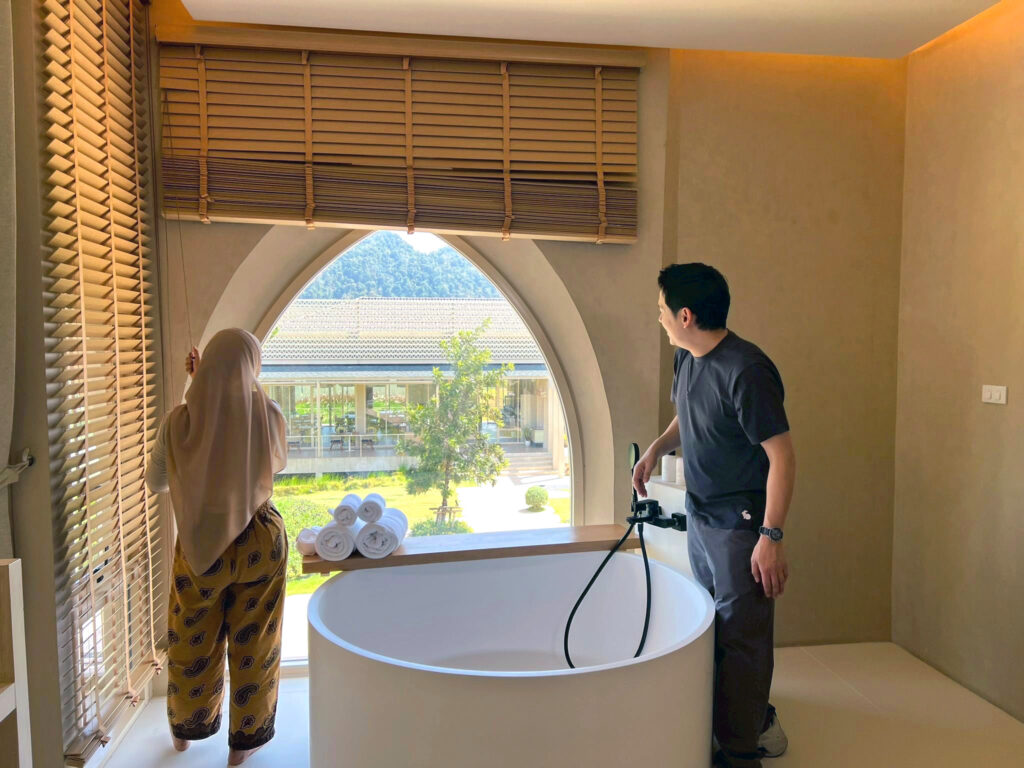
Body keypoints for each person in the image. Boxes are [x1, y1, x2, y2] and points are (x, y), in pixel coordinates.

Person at [633, 264, 795, 768]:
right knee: (715, 629)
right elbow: (688, 413)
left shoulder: (747, 370)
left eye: (662, 309)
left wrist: (770, 536)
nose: (658, 317)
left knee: (743, 637)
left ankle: (744, 749)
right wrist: (656, 448)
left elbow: (783, 457)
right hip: (701, 515)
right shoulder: (687, 357)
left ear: (685, 315)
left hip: (740, 524)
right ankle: (736, 722)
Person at [146, 328, 289, 765]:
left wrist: (199, 393)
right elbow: (274, 464)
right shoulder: (268, 413)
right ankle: (242, 746)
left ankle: (185, 733)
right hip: (260, 540)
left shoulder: (178, 423)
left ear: (205, 366)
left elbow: (157, 482)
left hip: (201, 545)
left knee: (192, 640)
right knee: (256, 642)